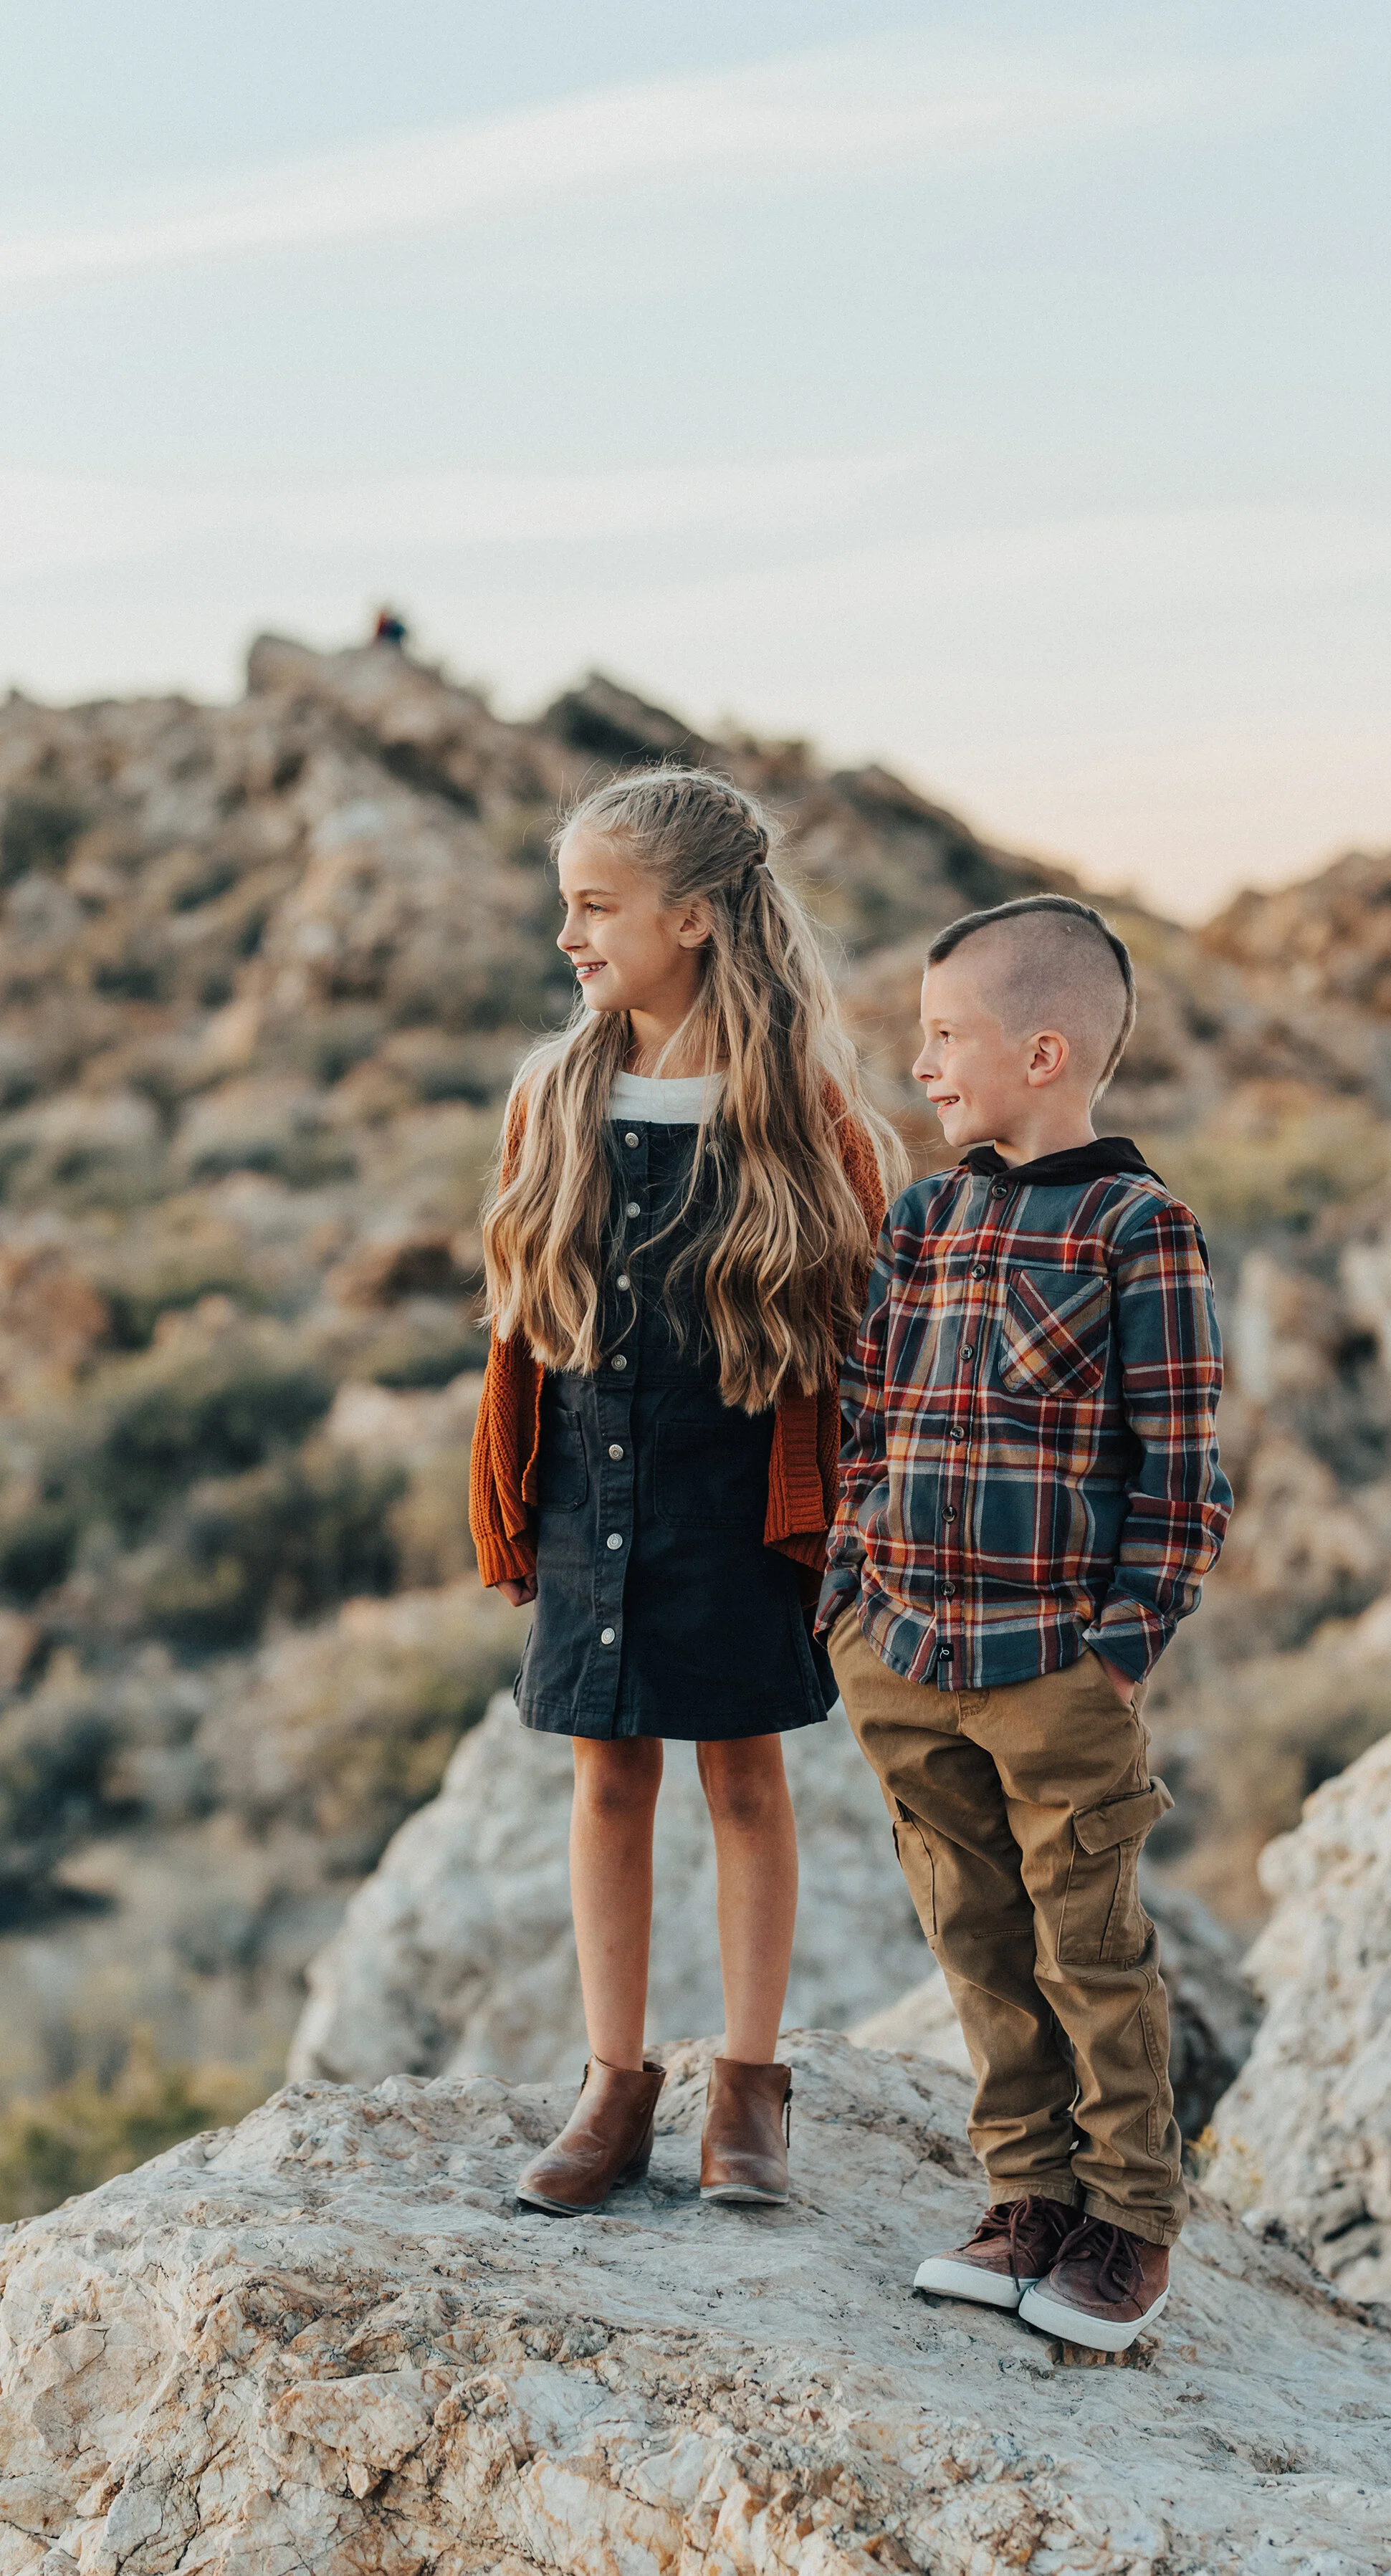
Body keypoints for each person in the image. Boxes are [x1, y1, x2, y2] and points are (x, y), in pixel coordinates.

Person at [470, 767, 899, 2215]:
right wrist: (510, 1497)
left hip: (738, 1504)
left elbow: (859, 1351)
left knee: (744, 1780)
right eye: (567, 906)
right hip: (596, 1490)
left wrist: (845, 1526)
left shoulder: (803, 1112)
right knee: (605, 1777)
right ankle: (614, 2083)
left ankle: (750, 2090)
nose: (569, 938)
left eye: (596, 908)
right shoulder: (557, 1090)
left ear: (697, 920)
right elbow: (518, 1328)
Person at [818, 893, 1231, 2352]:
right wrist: (847, 1605)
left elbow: (1182, 1473)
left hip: (1054, 1663)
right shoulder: (926, 1217)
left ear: (1044, 1053)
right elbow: (866, 1421)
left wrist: (1118, 1651)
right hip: (906, 1652)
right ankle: (1026, 2200)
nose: (922, 1064)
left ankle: (1129, 2222)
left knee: (1089, 1947)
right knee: (975, 1937)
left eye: (947, 1037)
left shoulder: (1140, 1228)